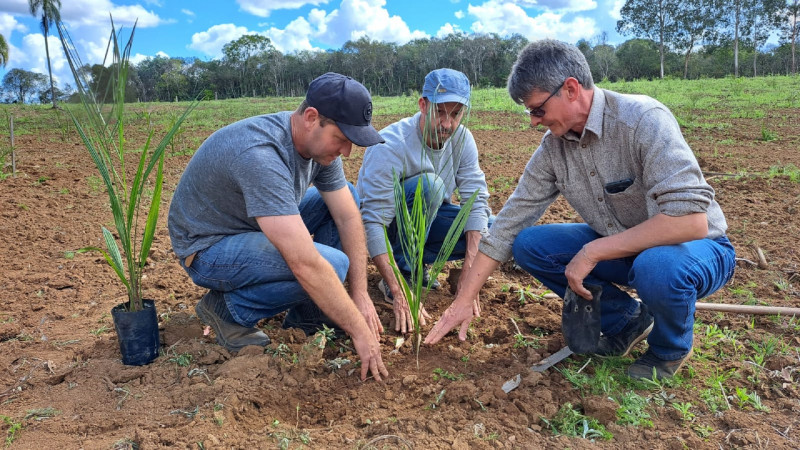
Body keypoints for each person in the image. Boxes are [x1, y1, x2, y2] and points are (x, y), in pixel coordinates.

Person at [425, 40, 736, 380]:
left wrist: (593, 251)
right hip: (626, 247)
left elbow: (690, 222)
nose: (533, 122)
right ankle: (627, 322)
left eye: (537, 110)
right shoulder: (553, 149)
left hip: (696, 248)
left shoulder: (642, 120)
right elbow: (509, 222)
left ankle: (668, 349)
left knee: (657, 266)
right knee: (529, 245)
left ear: (571, 89)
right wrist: (464, 300)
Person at [168, 72, 388, 382]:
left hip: (251, 224)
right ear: (311, 118)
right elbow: (304, 263)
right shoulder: (260, 155)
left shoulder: (317, 147)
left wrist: (360, 294)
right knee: (332, 265)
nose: (347, 151)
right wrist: (359, 329)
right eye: (342, 139)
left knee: (347, 196)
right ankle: (227, 310)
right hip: (208, 248)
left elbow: (348, 217)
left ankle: (310, 317)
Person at [356, 68, 492, 333]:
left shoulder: (462, 139)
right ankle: (404, 272)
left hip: (428, 223)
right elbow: (373, 222)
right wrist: (398, 289)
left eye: (456, 114)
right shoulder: (391, 144)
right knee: (429, 186)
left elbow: (475, 201)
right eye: (439, 112)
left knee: (493, 229)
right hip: (391, 228)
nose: (447, 124)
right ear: (423, 105)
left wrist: (470, 271)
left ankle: (421, 263)